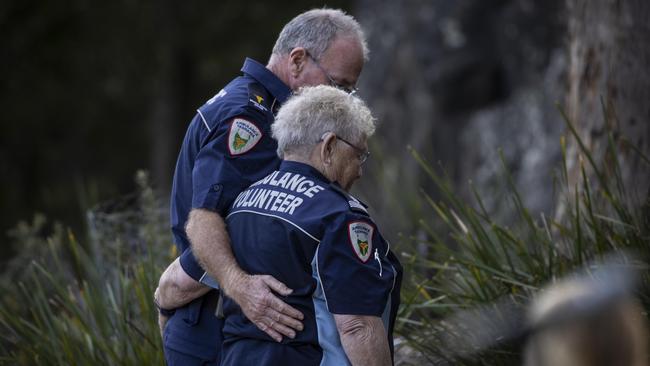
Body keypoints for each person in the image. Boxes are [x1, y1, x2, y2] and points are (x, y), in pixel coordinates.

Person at [155, 9, 369, 365]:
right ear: (298, 60)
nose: (345, 100)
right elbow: (211, 222)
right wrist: (230, 286)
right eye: (339, 86)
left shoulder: (277, 114)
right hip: (219, 326)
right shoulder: (250, 118)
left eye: (351, 90)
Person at [222, 85, 402, 365]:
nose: (360, 169)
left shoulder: (240, 203)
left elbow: (178, 286)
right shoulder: (339, 217)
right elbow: (357, 326)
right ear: (329, 147)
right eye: (358, 155)